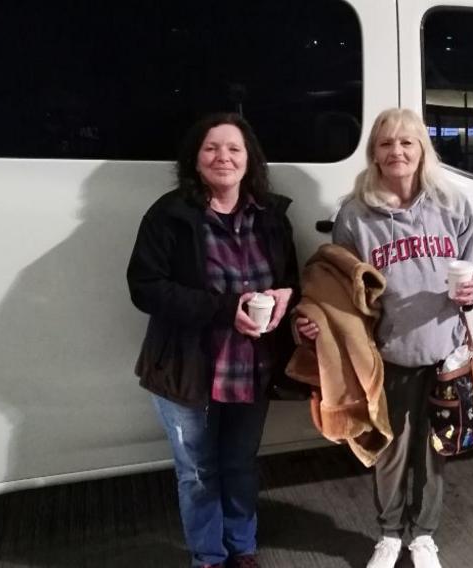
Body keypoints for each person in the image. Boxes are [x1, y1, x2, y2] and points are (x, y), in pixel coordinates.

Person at [296, 108, 473, 568]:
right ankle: (389, 534)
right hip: (386, 355)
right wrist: (318, 320)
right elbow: (339, 287)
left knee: (434, 448)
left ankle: (423, 536)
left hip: (445, 353)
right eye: (386, 143)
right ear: (374, 154)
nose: (396, 151)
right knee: (390, 450)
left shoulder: (452, 203)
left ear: (422, 150)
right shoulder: (355, 215)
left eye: (406, 142)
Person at [127, 113, 299, 568]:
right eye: (211, 148)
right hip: (186, 367)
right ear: (195, 158)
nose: (223, 156)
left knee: (240, 463)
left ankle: (242, 547)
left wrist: (287, 296)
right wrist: (225, 309)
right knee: (198, 472)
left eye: (234, 148)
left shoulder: (271, 217)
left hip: (252, 366)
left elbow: (291, 280)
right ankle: (208, 556)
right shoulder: (170, 215)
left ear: (249, 160)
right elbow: (145, 288)